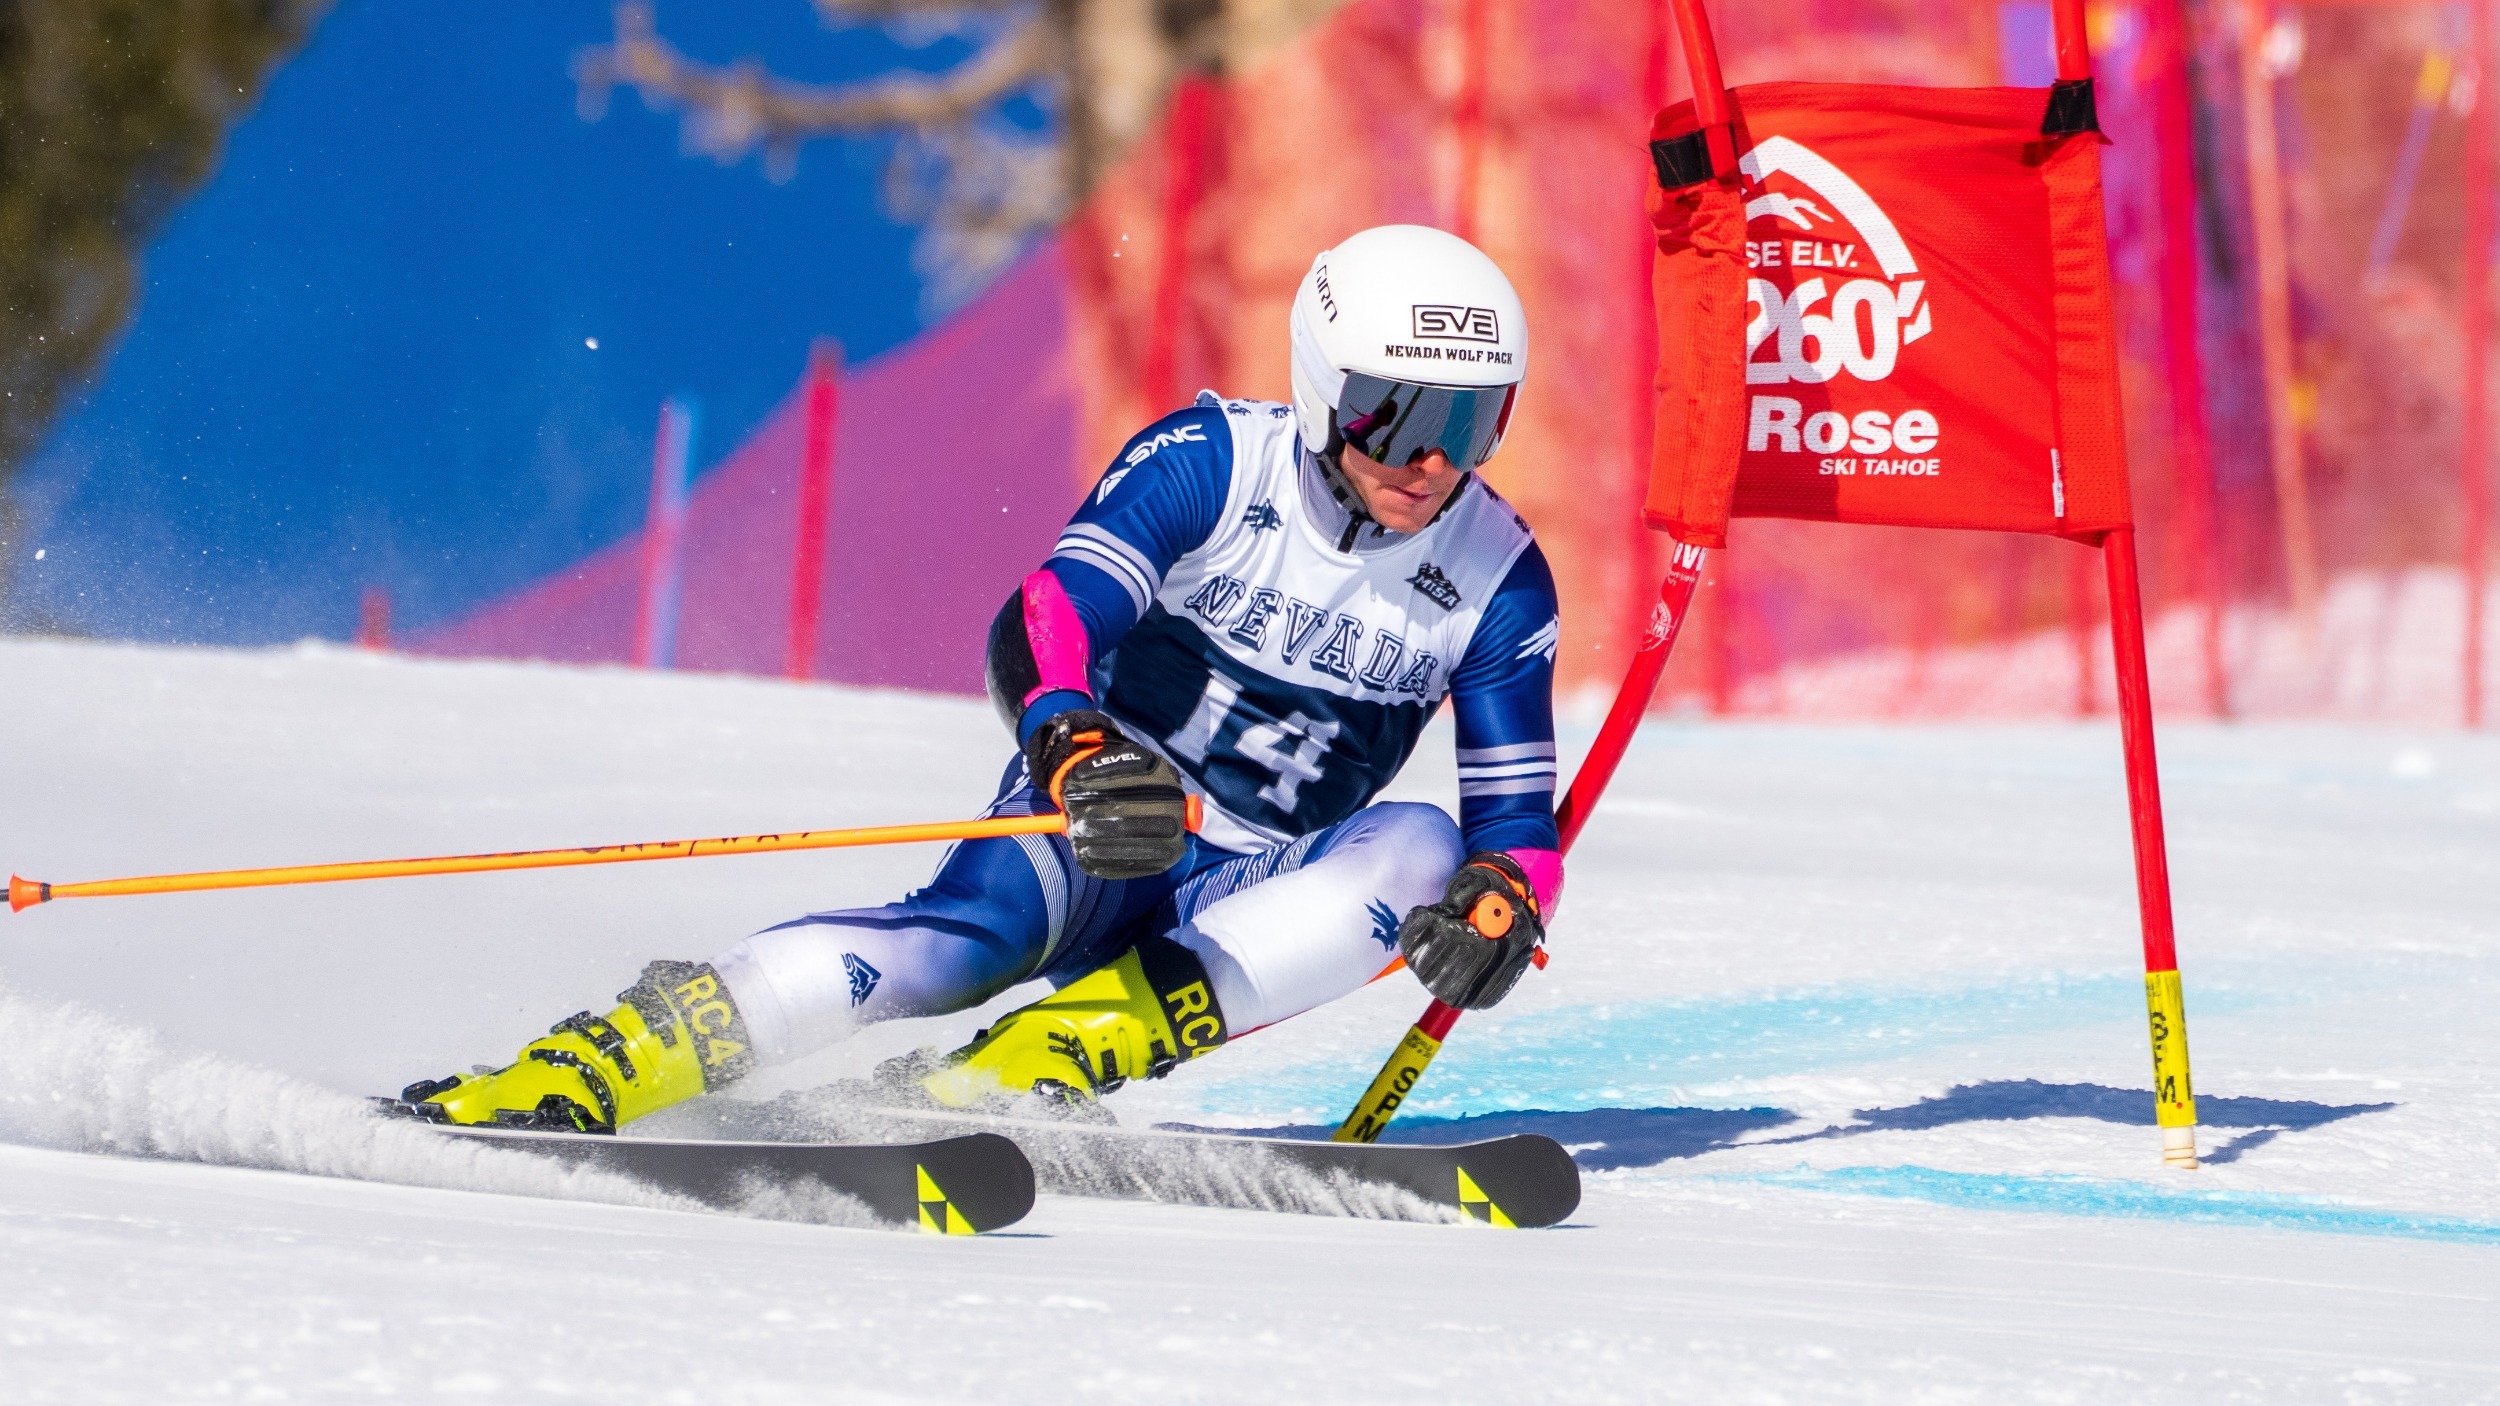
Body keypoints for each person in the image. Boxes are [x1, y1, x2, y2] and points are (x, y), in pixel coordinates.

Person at [394, 224, 1564, 1133]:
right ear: (1322, 388)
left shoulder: (1497, 575)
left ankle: (1031, 1060)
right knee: (954, 951)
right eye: (1397, 411)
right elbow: (1051, 608)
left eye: (1470, 422)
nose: (1429, 459)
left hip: (1258, 889)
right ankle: (602, 1058)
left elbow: (1516, 824)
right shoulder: (1212, 463)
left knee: (1419, 845)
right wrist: (1072, 744)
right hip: (1109, 818)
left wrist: (1500, 907)